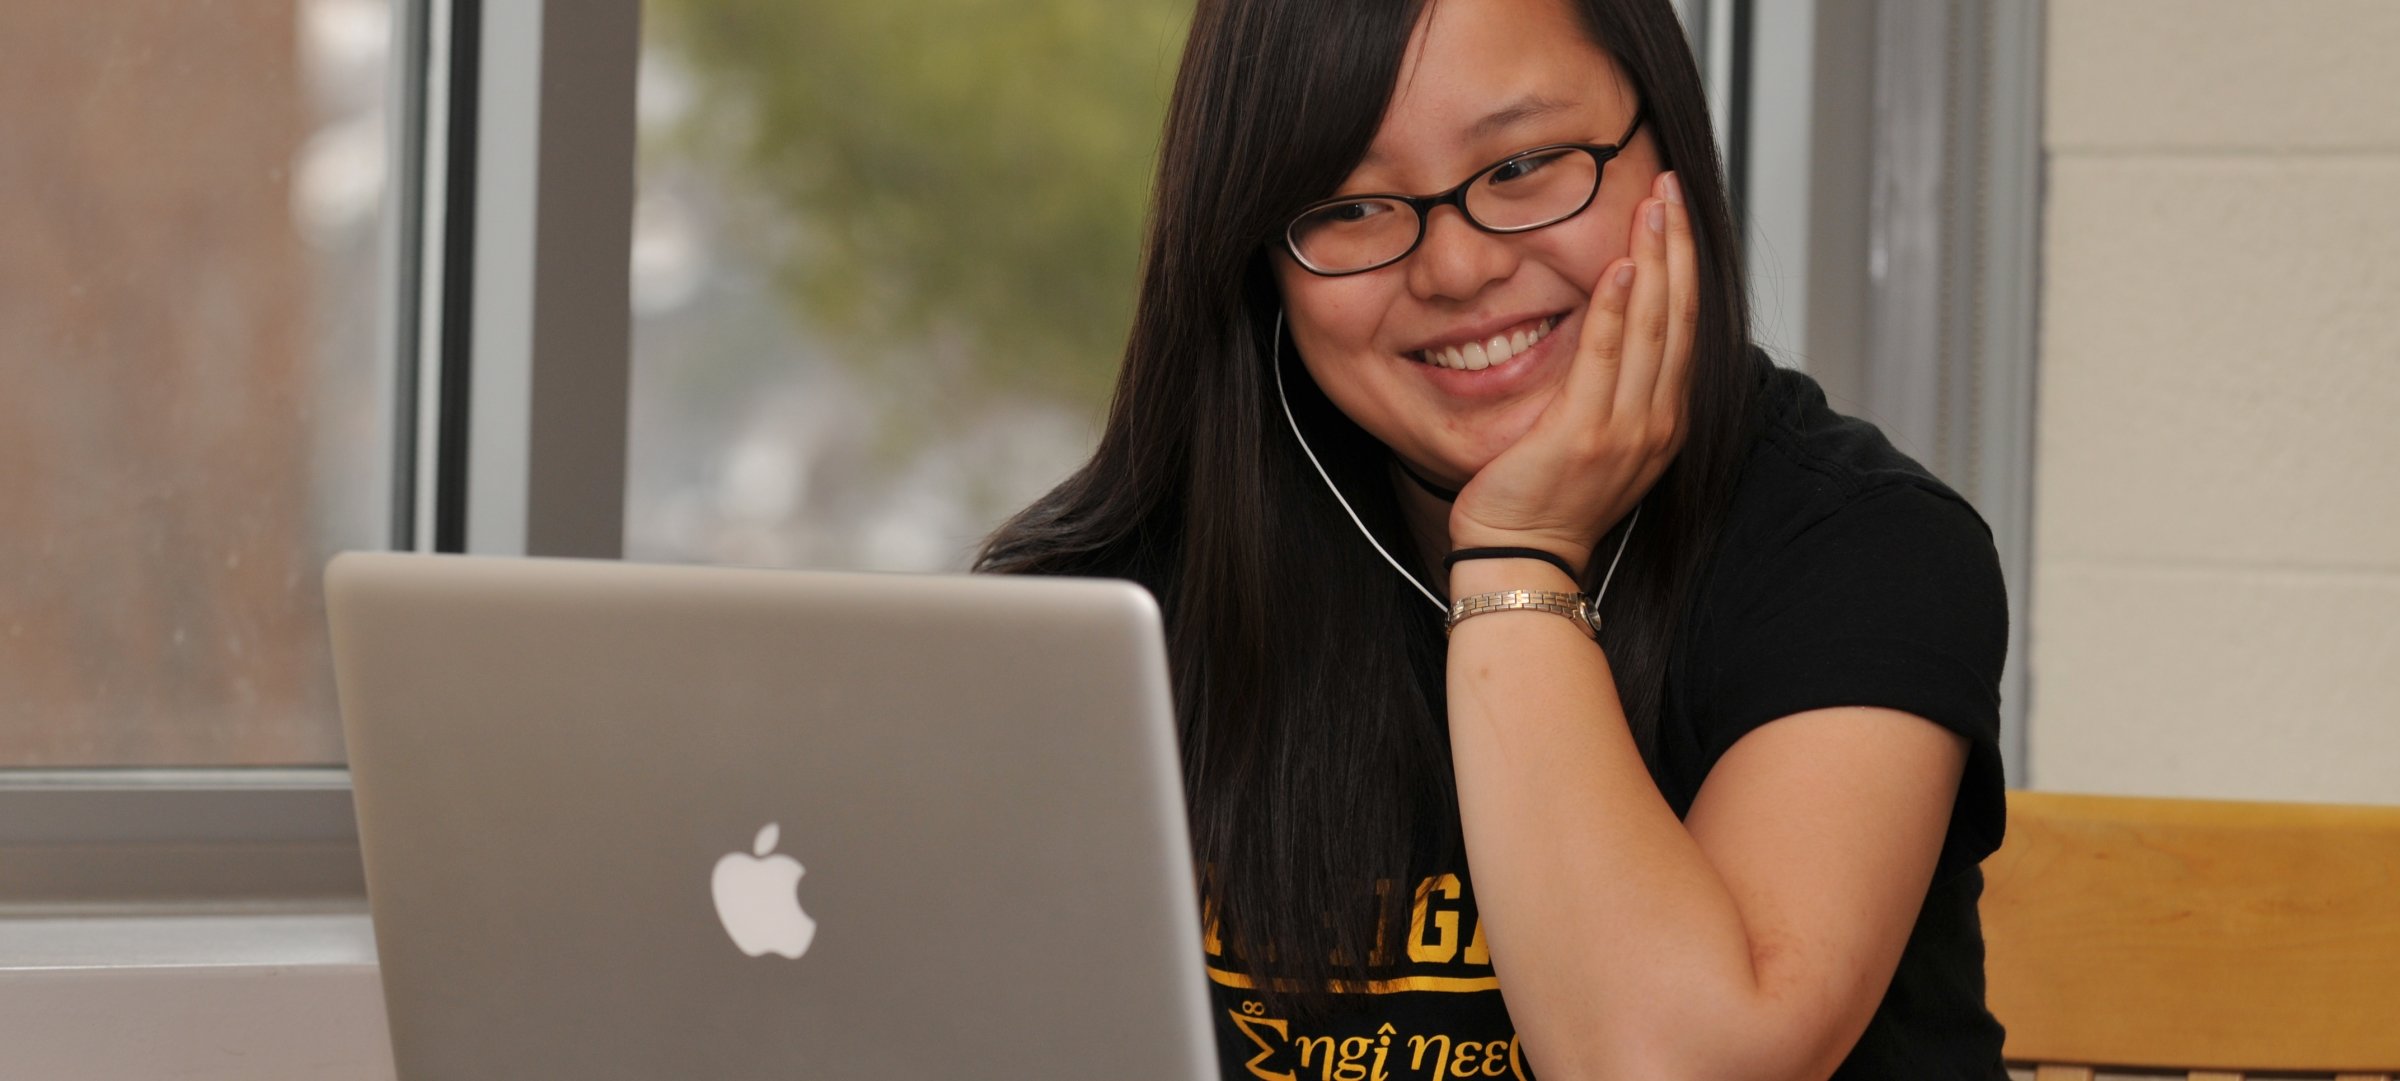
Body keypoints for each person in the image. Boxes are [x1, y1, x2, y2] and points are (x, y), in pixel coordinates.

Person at [978, 0, 2009, 1077]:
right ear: (1258, 257)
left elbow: (1676, 1062)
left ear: (1672, 156)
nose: (1457, 268)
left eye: (1522, 167)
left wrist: (1519, 554)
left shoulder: (1862, 552)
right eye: (1350, 204)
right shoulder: (1113, 607)